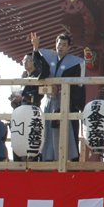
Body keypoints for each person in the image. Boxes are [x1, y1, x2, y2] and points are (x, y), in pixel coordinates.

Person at [31, 32, 85, 162]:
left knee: (68, 134)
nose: (60, 47)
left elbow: (79, 85)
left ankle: (70, 163)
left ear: (69, 48)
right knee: (48, 133)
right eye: (59, 44)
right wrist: (36, 48)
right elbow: (41, 70)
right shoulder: (49, 58)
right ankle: (48, 160)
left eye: (64, 45)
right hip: (50, 102)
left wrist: (60, 88)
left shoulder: (76, 63)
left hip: (66, 103)